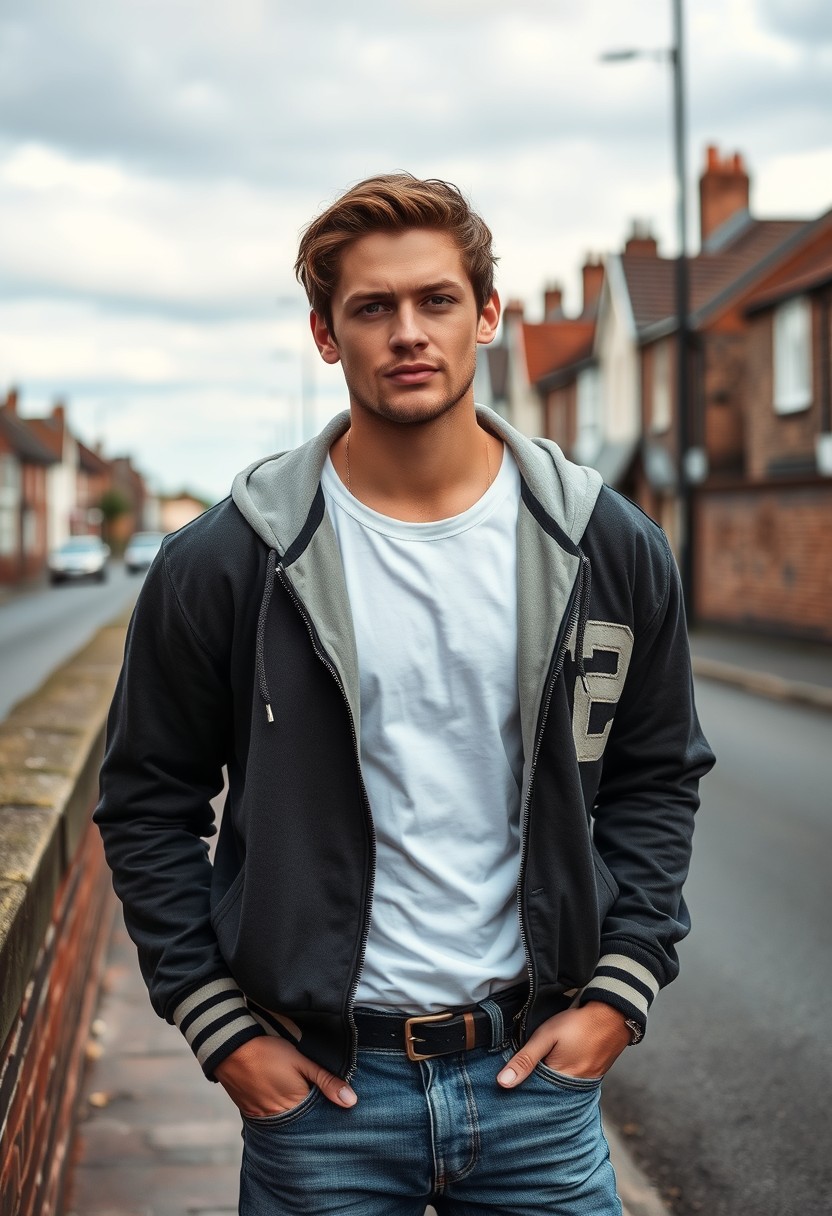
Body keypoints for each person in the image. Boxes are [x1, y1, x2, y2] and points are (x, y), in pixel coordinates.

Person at [95, 173, 715, 1215]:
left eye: (434, 300)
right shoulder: (226, 561)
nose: (407, 332)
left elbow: (657, 780)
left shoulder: (607, 546)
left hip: (535, 1086)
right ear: (326, 335)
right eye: (371, 308)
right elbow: (146, 799)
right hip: (323, 1094)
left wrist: (619, 992)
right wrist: (223, 1029)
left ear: (486, 315)